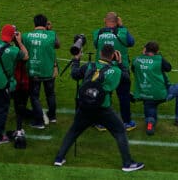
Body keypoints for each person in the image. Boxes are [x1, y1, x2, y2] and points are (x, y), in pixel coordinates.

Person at [53, 44, 144, 172]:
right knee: (119, 132)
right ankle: (127, 163)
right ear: (113, 55)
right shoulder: (115, 71)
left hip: (85, 106)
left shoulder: (89, 65)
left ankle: (59, 159)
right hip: (103, 108)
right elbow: (126, 79)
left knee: (73, 132)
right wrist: (120, 63)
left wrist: (76, 59)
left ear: (100, 53)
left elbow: (74, 74)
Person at [0, 24, 29, 145]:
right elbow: (26, 56)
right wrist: (19, 42)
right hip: (0, 83)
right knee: (1, 110)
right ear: (13, 36)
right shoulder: (14, 51)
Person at [132, 41, 178, 135]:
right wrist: (159, 57)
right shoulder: (159, 59)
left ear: (145, 49)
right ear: (157, 51)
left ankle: (150, 125)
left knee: (150, 112)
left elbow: (134, 69)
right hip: (161, 94)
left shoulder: (136, 60)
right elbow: (168, 68)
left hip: (145, 94)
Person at [92, 12, 136, 131]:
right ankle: (127, 122)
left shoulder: (98, 32)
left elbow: (96, 45)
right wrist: (121, 26)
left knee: (104, 94)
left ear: (104, 20)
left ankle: (101, 122)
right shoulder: (122, 32)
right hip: (121, 69)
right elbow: (131, 42)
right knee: (124, 96)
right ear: (117, 21)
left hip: (103, 69)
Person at [22, 14, 59, 129]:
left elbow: (20, 48)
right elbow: (57, 45)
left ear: (34, 24)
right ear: (46, 24)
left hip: (34, 70)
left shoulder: (26, 36)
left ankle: (39, 122)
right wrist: (49, 30)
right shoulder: (52, 35)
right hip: (49, 70)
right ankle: (52, 117)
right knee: (50, 94)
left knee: (34, 96)